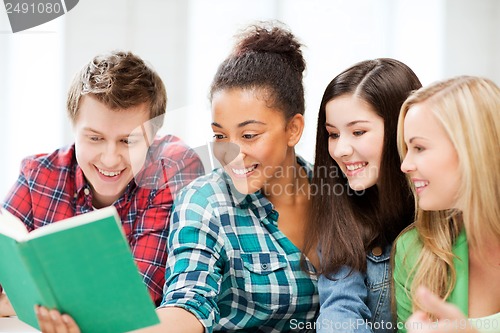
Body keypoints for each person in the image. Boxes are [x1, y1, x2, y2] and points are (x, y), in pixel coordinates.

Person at [33, 21, 319, 333]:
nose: (232, 153)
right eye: (220, 136)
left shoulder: (339, 196)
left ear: (294, 129)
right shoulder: (205, 202)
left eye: (249, 135)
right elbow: (186, 304)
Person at [0, 51, 205, 315]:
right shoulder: (37, 174)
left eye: (128, 141)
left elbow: (133, 298)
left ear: (153, 137)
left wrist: (20, 303)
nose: (110, 159)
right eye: (95, 138)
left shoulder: (171, 168)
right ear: (73, 128)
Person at [303, 58, 422, 333]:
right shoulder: (341, 215)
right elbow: (340, 310)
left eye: (358, 132)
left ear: (400, 129)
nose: (341, 150)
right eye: (333, 134)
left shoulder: (447, 213)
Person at [394, 76, 500, 333]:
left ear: (472, 148)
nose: (405, 165)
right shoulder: (415, 253)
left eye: (419, 147)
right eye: (407, 148)